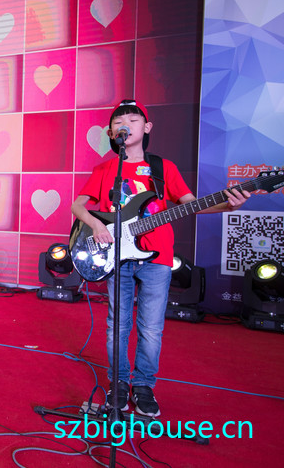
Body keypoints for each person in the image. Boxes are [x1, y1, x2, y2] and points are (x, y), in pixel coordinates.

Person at [71, 99, 250, 417]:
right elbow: (77, 205)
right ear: (111, 133)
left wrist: (228, 205)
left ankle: (143, 386)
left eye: (132, 119)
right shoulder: (105, 169)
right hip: (117, 257)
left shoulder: (163, 168)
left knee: (151, 328)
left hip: (157, 257)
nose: (125, 124)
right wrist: (97, 225)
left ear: (147, 127)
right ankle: (118, 384)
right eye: (118, 122)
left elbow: (192, 204)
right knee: (117, 325)